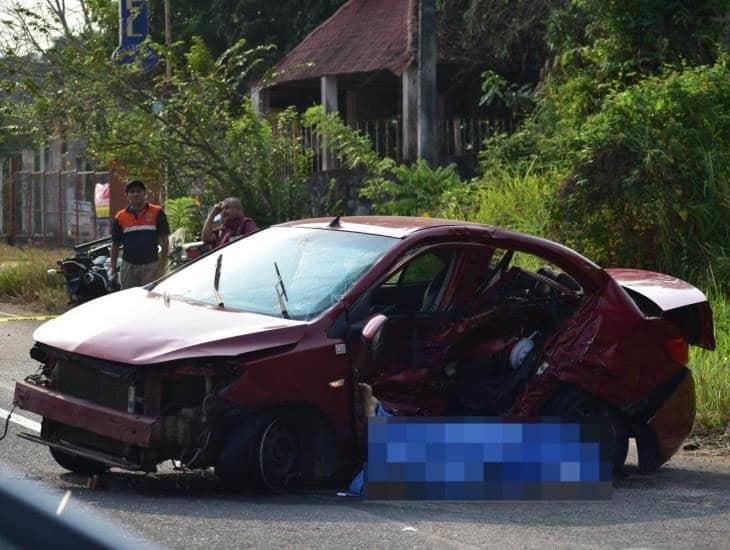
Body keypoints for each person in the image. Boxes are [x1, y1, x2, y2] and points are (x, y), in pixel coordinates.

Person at [110, 179, 170, 289]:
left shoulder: (157, 212)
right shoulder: (120, 217)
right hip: (129, 266)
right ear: (127, 196)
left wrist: (162, 265)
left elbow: (165, 241)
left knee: (150, 298)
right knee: (129, 299)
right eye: (132, 192)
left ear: (145, 194)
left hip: (151, 265)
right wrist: (113, 269)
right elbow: (115, 245)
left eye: (139, 191)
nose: (136, 194)